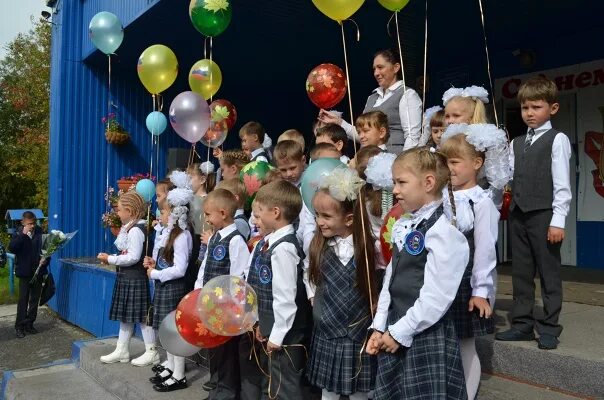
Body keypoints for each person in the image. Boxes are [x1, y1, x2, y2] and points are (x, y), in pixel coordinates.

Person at [366, 147, 469, 400]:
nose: (395, 190)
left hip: (423, 332)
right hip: (396, 328)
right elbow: (391, 278)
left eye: (401, 182)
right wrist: (379, 327)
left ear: (428, 183)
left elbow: (437, 296)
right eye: (394, 182)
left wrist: (400, 332)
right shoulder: (404, 225)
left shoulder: (444, 233)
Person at [495, 76, 572, 351]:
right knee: (521, 273)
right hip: (519, 214)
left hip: (544, 216)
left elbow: (562, 185)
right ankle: (523, 325)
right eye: (526, 108)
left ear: (552, 109)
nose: (529, 113)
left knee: (549, 273)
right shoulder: (516, 142)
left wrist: (558, 220)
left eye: (536, 107)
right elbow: (509, 176)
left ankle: (550, 327)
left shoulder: (557, 139)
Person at [440, 124, 509, 399]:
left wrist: (481, 291)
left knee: (466, 344)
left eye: (455, 162)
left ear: (477, 163)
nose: (450, 168)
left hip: (466, 282)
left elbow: (485, 251)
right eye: (445, 162)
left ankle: (467, 395)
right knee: (445, 343)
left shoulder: (481, 202)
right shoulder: (441, 197)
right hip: (442, 279)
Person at [306, 167, 377, 400]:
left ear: (349, 219)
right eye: (317, 215)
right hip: (327, 329)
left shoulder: (368, 248)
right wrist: (312, 296)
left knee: (359, 391)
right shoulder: (318, 246)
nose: (319, 222)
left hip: (358, 330)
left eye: (326, 217)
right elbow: (309, 274)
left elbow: (380, 282)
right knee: (328, 391)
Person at [245, 180, 312, 399]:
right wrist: (260, 324)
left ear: (275, 213)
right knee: (271, 381)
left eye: (259, 212)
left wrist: (278, 334)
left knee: (284, 385)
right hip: (270, 326)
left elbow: (285, 297)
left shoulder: (284, 248)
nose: (256, 219)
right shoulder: (268, 242)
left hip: (285, 333)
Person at [195, 189, 250, 400]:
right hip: (210, 304)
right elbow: (206, 267)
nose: (206, 219)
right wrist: (198, 291)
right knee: (215, 350)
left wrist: (231, 305)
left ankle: (227, 392)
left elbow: (238, 276)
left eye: (208, 215)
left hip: (225, 308)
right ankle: (216, 387)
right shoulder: (216, 236)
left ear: (223, 213)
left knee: (227, 353)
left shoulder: (235, 240)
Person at [319, 48, 423, 154]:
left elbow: (412, 137)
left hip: (393, 159)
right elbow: (364, 136)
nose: (376, 73)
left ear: (396, 68)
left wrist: (403, 164)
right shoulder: (372, 98)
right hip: (368, 158)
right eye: (374, 69)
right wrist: (339, 122)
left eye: (380, 67)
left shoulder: (407, 95)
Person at [97, 192, 157, 367]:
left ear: (130, 211)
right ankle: (122, 350)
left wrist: (111, 259)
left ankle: (151, 351)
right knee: (126, 315)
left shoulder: (136, 230)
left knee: (141, 316)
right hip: (127, 277)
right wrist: (113, 257)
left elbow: (133, 257)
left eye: (120, 210)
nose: (118, 213)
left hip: (135, 277)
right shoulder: (130, 228)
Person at [144, 179, 194, 392]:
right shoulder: (170, 235)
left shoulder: (182, 236)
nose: (161, 216)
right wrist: (156, 264)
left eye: (164, 213)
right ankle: (172, 368)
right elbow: (169, 261)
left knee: (174, 333)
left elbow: (180, 269)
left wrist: (156, 273)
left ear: (174, 215)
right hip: (165, 286)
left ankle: (179, 375)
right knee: (166, 330)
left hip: (173, 287)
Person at [10, 211, 49, 338]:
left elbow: (47, 249)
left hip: (38, 271)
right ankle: (19, 326)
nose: (32, 226)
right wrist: (23, 235)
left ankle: (29, 324)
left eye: (34, 223)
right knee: (23, 300)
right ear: (23, 222)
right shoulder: (18, 233)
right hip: (25, 272)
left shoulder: (40, 232)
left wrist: (45, 260)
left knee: (34, 300)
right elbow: (12, 248)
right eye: (29, 224)